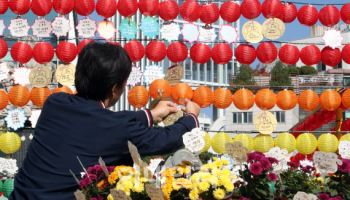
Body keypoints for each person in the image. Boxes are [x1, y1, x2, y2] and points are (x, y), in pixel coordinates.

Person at [10, 43, 200, 200]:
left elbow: (103, 121)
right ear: (115, 88)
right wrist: (191, 118)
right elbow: (165, 139)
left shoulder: (55, 103)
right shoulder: (117, 128)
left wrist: (149, 114)